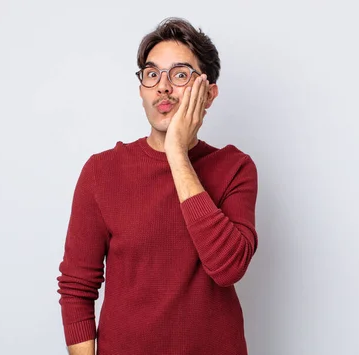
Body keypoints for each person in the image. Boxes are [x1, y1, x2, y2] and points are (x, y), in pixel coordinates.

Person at [57, 17, 259, 355]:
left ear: (208, 94)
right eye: (152, 75)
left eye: (180, 75)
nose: (163, 86)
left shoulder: (235, 168)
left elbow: (228, 268)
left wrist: (177, 152)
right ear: (141, 91)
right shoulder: (101, 172)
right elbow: (77, 290)